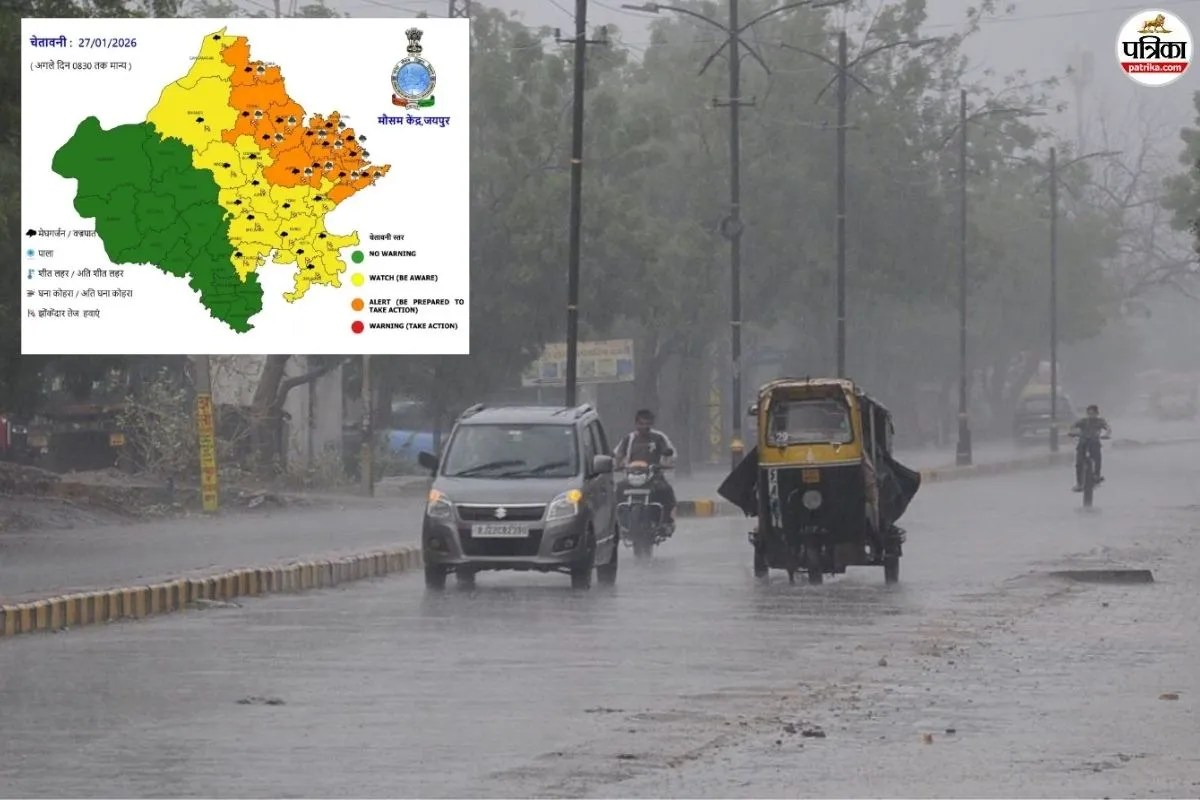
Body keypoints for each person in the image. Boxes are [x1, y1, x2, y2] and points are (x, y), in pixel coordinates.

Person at [613, 408, 678, 525]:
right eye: (641, 424)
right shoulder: (629, 439)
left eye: (647, 424)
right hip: (632, 476)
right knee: (618, 490)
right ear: (636, 423)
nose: (644, 427)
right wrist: (617, 464)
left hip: (653, 476)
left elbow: (667, 453)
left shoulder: (658, 438)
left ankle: (666, 520)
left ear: (651, 424)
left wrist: (665, 463)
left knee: (666, 491)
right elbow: (618, 454)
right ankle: (618, 522)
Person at [1070, 404, 1111, 492]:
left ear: (1097, 413)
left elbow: (1107, 428)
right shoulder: (1083, 421)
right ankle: (1079, 483)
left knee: (1097, 458)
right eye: (1089, 413)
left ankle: (1096, 475)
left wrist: (1107, 435)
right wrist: (1073, 432)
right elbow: (1073, 426)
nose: (1091, 415)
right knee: (1079, 462)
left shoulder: (1100, 421)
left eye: (1093, 413)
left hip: (1094, 442)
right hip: (1083, 442)